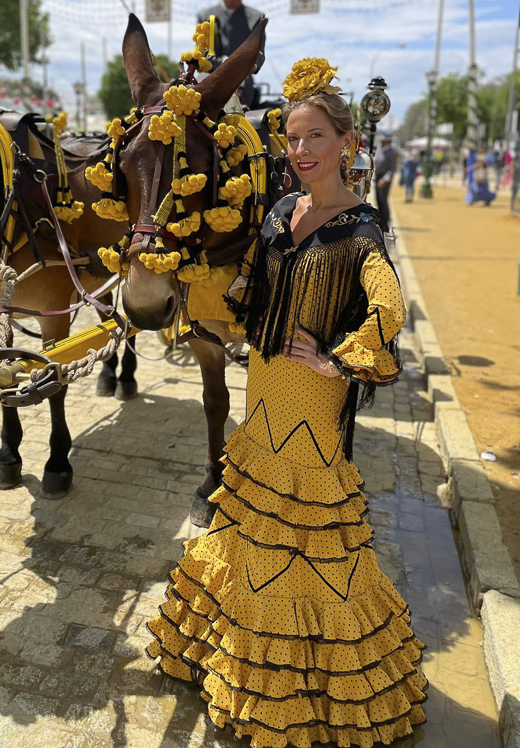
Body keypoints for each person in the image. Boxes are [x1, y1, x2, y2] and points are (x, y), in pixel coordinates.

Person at [146, 59, 427, 747]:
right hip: (265, 383)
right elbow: (251, 282)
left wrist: (339, 357)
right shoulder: (281, 210)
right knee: (254, 520)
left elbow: (390, 306)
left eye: (314, 137)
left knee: (308, 527)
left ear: (346, 143)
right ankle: (239, 653)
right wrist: (218, 315)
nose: (300, 150)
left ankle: (304, 684)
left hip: (313, 396)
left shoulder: (359, 227)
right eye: (292, 138)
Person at [197, 0, 265, 109]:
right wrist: (226, 64)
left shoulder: (256, 18)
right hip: (210, 77)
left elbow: (259, 54)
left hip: (243, 80)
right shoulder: (206, 17)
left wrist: (248, 67)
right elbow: (204, 53)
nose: (235, 0)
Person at [373, 132, 397, 233]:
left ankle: (385, 224)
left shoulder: (392, 152)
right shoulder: (380, 149)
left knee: (383, 200)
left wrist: (384, 180)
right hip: (378, 176)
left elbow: (392, 169)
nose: (382, 141)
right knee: (378, 200)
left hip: (384, 178)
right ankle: (380, 221)